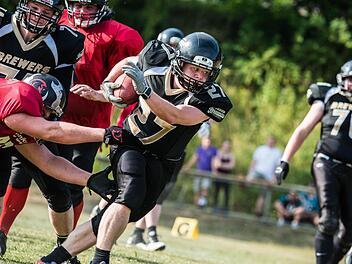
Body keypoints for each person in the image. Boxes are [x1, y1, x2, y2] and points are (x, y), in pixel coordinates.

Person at [36, 31, 232, 264]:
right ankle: (100, 259)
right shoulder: (158, 58)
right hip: (130, 141)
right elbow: (129, 62)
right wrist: (107, 87)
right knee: (129, 195)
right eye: (194, 69)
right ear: (179, 62)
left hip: (164, 160)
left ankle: (53, 259)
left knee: (130, 209)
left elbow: (176, 115)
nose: (199, 77)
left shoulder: (213, 98)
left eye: (205, 72)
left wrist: (145, 91)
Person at [0, 0, 85, 258]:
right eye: (35, 8)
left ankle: (64, 246)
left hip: (32, 122)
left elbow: (57, 99)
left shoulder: (65, 42)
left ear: (58, 16)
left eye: (47, 12)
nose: (39, 16)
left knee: (58, 190)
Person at [0, 75, 123, 205]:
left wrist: (90, 179)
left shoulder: (19, 122)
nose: (47, 118)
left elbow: (49, 161)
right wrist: (105, 134)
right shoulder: (21, 94)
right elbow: (51, 131)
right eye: (48, 112)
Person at [274, 62, 352, 264]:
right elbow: (303, 129)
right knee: (328, 221)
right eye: (349, 80)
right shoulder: (328, 96)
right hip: (326, 162)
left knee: (350, 230)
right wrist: (285, 160)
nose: (351, 85)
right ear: (342, 79)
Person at [125, 27, 185, 252]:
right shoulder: (152, 67)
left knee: (156, 191)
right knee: (129, 188)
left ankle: (144, 233)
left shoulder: (183, 78)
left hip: (168, 143)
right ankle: (141, 231)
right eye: (168, 48)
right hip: (139, 134)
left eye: (175, 50)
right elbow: (129, 61)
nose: (171, 53)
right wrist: (107, 87)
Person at [246, 135, 281, 217]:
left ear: (275, 142)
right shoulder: (260, 149)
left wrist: (274, 178)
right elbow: (253, 162)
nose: (270, 142)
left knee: (263, 193)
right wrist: (249, 173)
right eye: (269, 140)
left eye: (272, 141)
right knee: (247, 182)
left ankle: (258, 211)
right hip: (257, 172)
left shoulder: (277, 152)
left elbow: (277, 166)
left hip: (267, 176)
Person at [185, 136, 218, 208]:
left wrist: (214, 171)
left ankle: (202, 205)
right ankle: (196, 205)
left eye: (208, 141)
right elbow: (194, 159)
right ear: (202, 141)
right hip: (199, 172)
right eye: (205, 141)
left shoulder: (213, 150)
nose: (207, 143)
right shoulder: (199, 149)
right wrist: (187, 167)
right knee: (197, 189)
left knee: (205, 188)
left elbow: (214, 161)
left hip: (208, 173)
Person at [212, 139, 235, 212]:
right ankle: (214, 207)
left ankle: (225, 209)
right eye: (225, 145)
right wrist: (224, 166)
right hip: (218, 177)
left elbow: (231, 166)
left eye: (228, 145)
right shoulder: (218, 153)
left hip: (227, 178)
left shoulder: (231, 155)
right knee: (216, 192)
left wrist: (221, 165)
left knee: (226, 194)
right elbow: (215, 164)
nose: (226, 147)